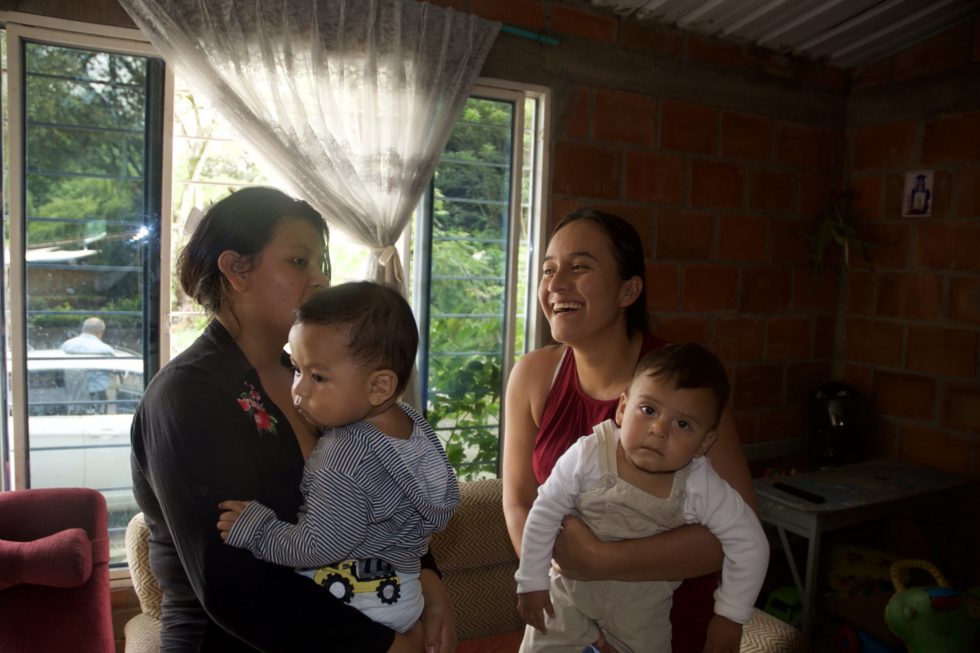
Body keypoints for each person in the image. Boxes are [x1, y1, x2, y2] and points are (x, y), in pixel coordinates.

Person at [131, 187, 455, 653]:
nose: (320, 280)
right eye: (300, 262)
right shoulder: (188, 396)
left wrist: (428, 578)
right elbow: (233, 587)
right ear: (235, 270)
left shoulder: (319, 382)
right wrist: (381, 645)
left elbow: (383, 488)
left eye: (322, 264)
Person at [503, 208, 757, 653]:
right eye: (548, 269)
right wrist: (570, 595)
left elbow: (732, 533)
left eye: (579, 267)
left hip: (663, 624)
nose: (556, 283)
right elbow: (520, 502)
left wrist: (601, 563)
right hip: (567, 607)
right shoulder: (531, 376)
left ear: (628, 290)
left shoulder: (684, 389)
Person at [216, 281, 460, 634]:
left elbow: (319, 545)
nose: (297, 387)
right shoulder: (411, 423)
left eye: (317, 376)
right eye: (297, 368)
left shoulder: (343, 457)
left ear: (380, 387)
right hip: (404, 590)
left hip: (360, 599)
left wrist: (257, 530)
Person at [515, 343, 769, 652]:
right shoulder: (588, 453)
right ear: (622, 408)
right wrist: (531, 581)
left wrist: (730, 615)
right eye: (648, 410)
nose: (659, 430)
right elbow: (544, 511)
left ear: (704, 443)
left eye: (683, 424)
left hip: (642, 613)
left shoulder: (700, 484)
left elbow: (750, 543)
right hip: (567, 596)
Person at [61, 316, 116, 413]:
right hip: (96, 394)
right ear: (100, 333)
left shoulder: (66, 345)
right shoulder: (106, 349)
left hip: (70, 391)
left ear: (83, 329)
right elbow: (113, 371)